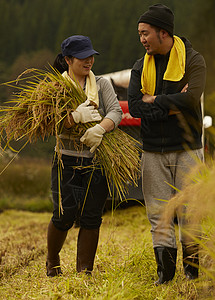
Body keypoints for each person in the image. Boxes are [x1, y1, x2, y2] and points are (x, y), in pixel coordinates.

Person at [128, 4, 206, 285]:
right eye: (140, 34)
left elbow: (191, 99)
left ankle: (192, 272)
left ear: (163, 33)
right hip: (152, 151)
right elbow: (136, 107)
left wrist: (156, 100)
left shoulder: (194, 61)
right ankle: (165, 275)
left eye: (145, 33)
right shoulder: (140, 66)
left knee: (190, 212)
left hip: (187, 149)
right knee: (158, 215)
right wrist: (172, 106)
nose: (142, 39)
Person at [46, 35, 122, 277]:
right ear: (68, 59)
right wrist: (74, 118)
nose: (89, 60)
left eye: (91, 56)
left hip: (96, 159)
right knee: (63, 214)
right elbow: (50, 124)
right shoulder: (56, 88)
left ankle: (84, 272)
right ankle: (52, 259)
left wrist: (101, 128)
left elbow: (116, 111)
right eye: (82, 57)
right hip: (65, 160)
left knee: (91, 216)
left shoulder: (101, 84)